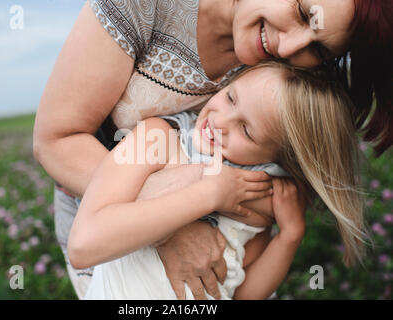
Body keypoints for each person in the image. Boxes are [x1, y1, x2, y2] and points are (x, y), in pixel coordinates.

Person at [33, 0, 392, 299]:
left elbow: (241, 286)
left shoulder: (282, 86)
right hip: (100, 214)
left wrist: (286, 233)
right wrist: (185, 215)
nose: (288, 49)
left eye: (318, 48)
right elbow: (57, 142)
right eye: (302, 12)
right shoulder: (147, 12)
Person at [67, 62, 370, 299]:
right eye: (230, 97)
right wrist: (209, 192)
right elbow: (84, 246)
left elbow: (242, 293)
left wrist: (290, 235)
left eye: (247, 130)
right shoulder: (157, 139)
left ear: (278, 158)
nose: (220, 121)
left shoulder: (256, 198)